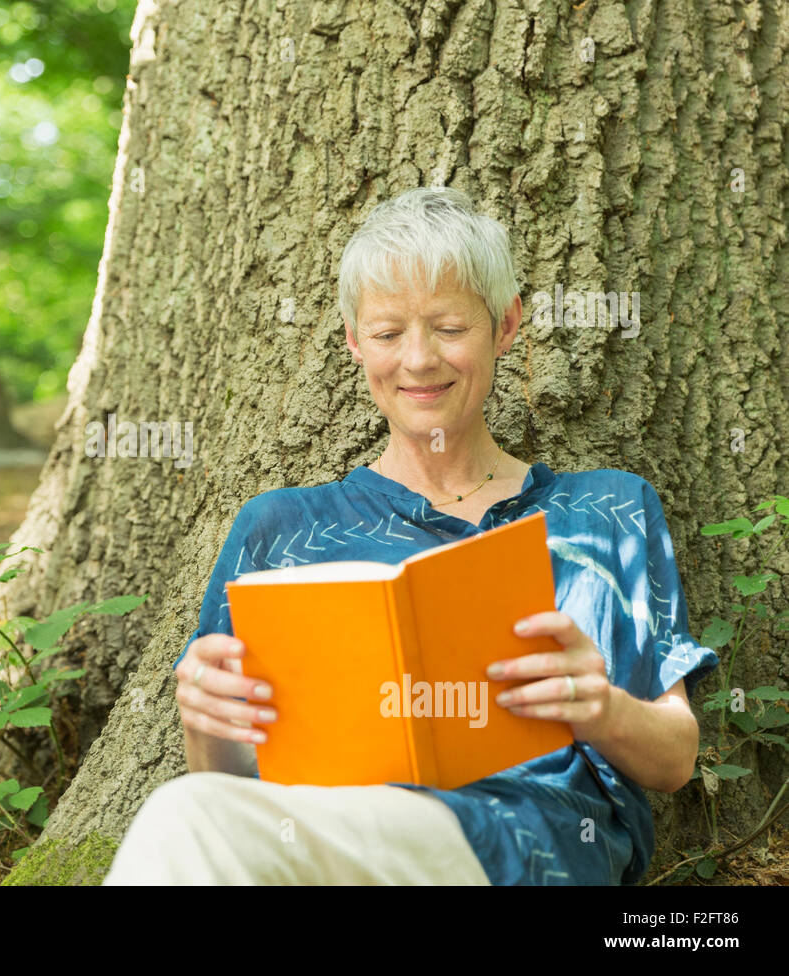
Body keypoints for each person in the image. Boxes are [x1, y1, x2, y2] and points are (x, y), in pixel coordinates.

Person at [102, 186, 719, 885]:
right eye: (389, 334)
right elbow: (232, 788)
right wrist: (205, 720)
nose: (419, 360)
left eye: (450, 328)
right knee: (193, 810)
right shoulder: (280, 526)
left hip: (532, 841)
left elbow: (674, 762)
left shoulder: (605, 510)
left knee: (189, 817)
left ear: (506, 325)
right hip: (329, 846)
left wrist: (600, 706)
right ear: (354, 342)